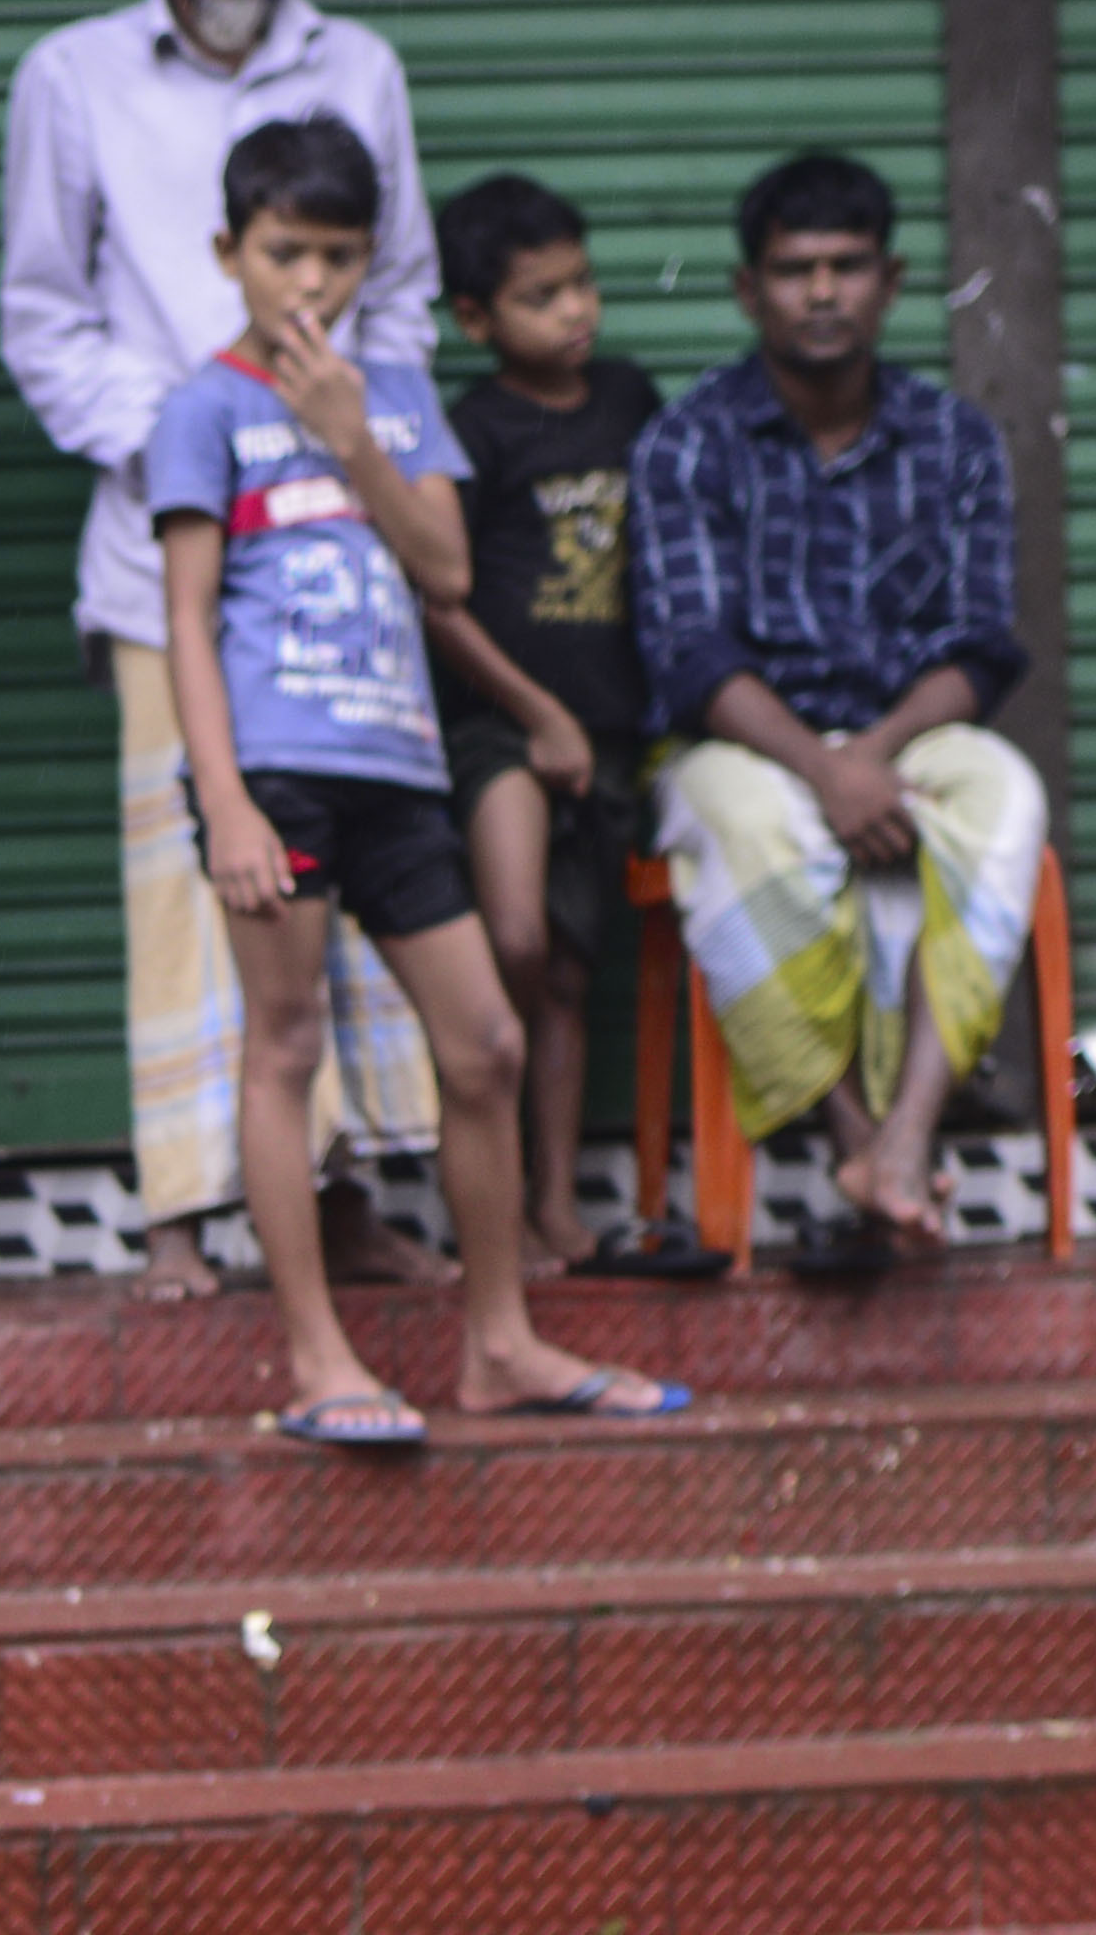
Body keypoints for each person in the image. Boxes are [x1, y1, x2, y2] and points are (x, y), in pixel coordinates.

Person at [147, 121, 686, 1450]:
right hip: (274, 770)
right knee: (285, 1046)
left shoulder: (389, 392)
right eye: (282, 254)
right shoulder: (201, 405)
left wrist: (352, 439)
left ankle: (497, 1341)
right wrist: (221, 799)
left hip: (397, 766)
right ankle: (317, 1353)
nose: (308, 284)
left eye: (335, 256)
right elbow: (185, 618)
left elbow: (444, 572)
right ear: (229, 254)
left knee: (486, 1043)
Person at [0, 0, 447, 1299]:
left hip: (336, 561)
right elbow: (44, 318)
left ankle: (338, 1201)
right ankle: (184, 1215)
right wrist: (199, 439)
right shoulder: (69, 77)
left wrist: (333, 440)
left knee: (351, 889)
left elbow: (402, 303)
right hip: (165, 552)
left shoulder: (360, 67)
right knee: (198, 887)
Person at [636, 149, 1048, 1267]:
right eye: (793, 269)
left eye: (847, 266)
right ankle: (855, 1141)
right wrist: (825, 774)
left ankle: (909, 1135)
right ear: (746, 289)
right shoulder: (688, 443)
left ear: (893, 278)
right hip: (743, 741)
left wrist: (869, 755)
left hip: (904, 736)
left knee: (1006, 792)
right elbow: (689, 654)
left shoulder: (953, 438)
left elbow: (982, 644)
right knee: (745, 820)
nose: (822, 292)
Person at [423, 174, 661, 1279]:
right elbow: (443, 598)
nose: (576, 312)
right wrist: (537, 712)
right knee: (512, 939)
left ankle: (554, 1204)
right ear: (476, 319)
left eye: (583, 285)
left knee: (570, 969)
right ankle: (489, 1188)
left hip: (608, 733)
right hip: (501, 730)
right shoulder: (471, 428)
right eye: (541, 297)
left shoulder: (628, 399)